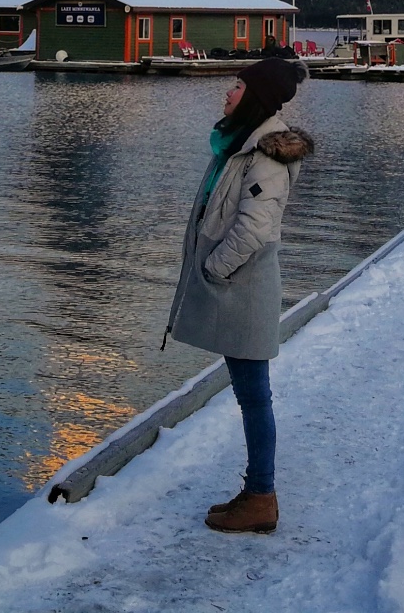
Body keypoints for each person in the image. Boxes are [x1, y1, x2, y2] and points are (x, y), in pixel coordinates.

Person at [163, 52, 315, 534]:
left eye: (236, 86)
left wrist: (214, 269)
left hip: (244, 288)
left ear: (256, 97)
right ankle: (257, 492)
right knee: (253, 395)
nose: (228, 92)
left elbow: (254, 229)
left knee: (254, 396)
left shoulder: (265, 155)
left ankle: (261, 496)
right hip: (237, 286)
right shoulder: (243, 145)